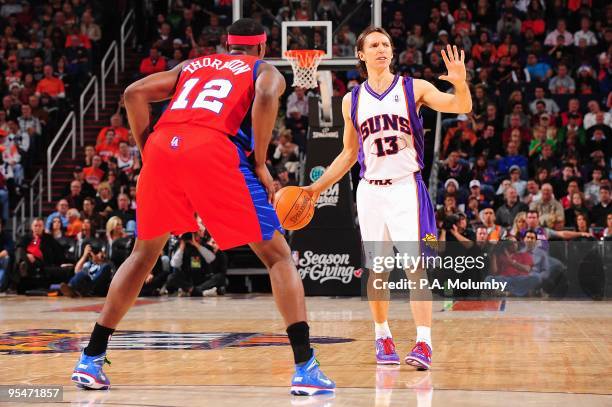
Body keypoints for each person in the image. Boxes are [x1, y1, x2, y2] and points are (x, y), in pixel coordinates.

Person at [71, 18, 334, 396]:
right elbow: (264, 96)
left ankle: (91, 359)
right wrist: (260, 162)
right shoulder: (264, 69)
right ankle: (305, 367)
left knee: (143, 254)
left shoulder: (191, 65)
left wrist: (150, 152)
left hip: (164, 145)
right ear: (260, 47)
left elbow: (132, 94)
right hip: (213, 147)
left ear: (228, 45)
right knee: (277, 255)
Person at [305, 27, 472, 370]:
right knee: (377, 271)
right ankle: (382, 335)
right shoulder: (352, 100)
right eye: (374, 45)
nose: (381, 49)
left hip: (405, 187)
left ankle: (423, 343)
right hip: (369, 191)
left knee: (415, 268)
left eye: (386, 44)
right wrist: (314, 188)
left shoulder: (415, 88)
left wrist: (460, 81)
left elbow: (462, 105)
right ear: (361, 55)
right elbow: (349, 153)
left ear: (392, 53)